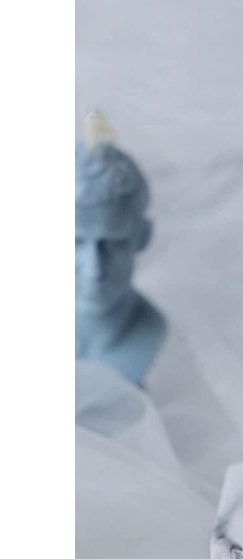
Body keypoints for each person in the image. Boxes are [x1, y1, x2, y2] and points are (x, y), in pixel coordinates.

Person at [75, 131, 166, 386]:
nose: (94, 269)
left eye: (114, 243)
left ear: (142, 236)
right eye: (75, 242)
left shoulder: (152, 332)